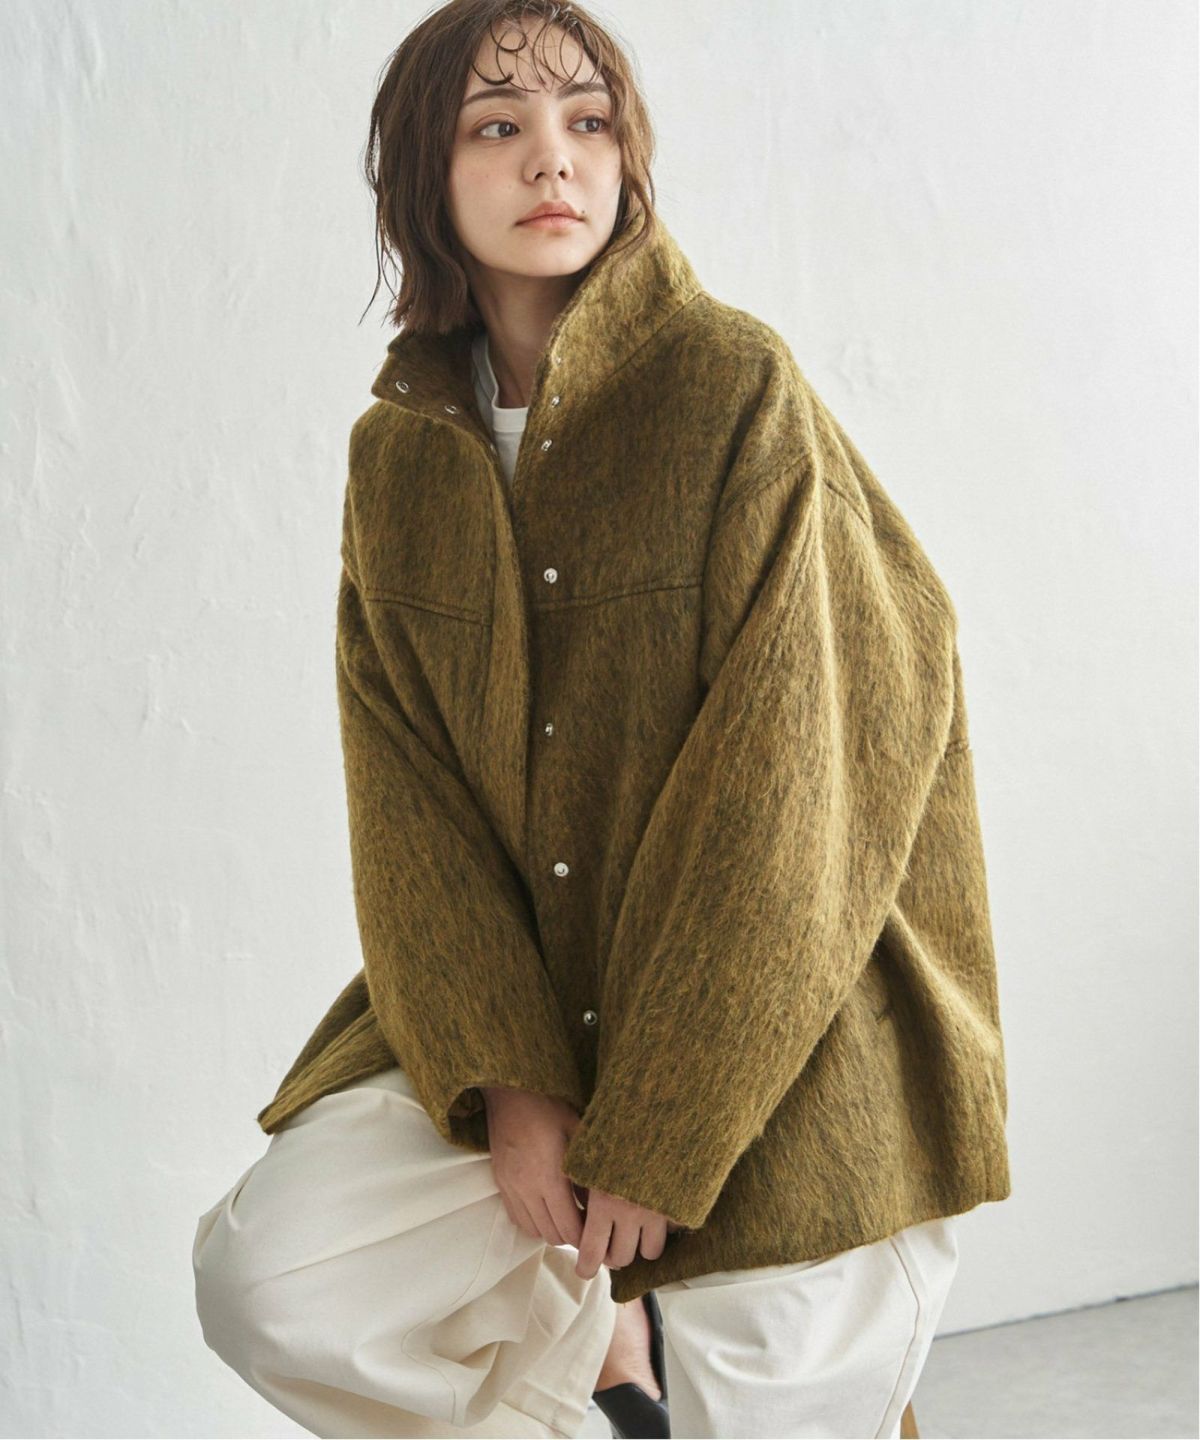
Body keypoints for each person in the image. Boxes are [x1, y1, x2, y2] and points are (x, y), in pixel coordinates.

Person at [192, 3, 1012, 1437]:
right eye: (495, 127)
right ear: (423, 176)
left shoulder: (731, 389)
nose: (551, 159)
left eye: (587, 121)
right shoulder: (398, 461)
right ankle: (602, 1375)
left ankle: (644, 1341)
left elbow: (794, 802)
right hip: (533, 1017)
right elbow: (410, 809)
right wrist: (510, 1085)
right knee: (276, 1280)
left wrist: (667, 1125)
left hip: (788, 1037)